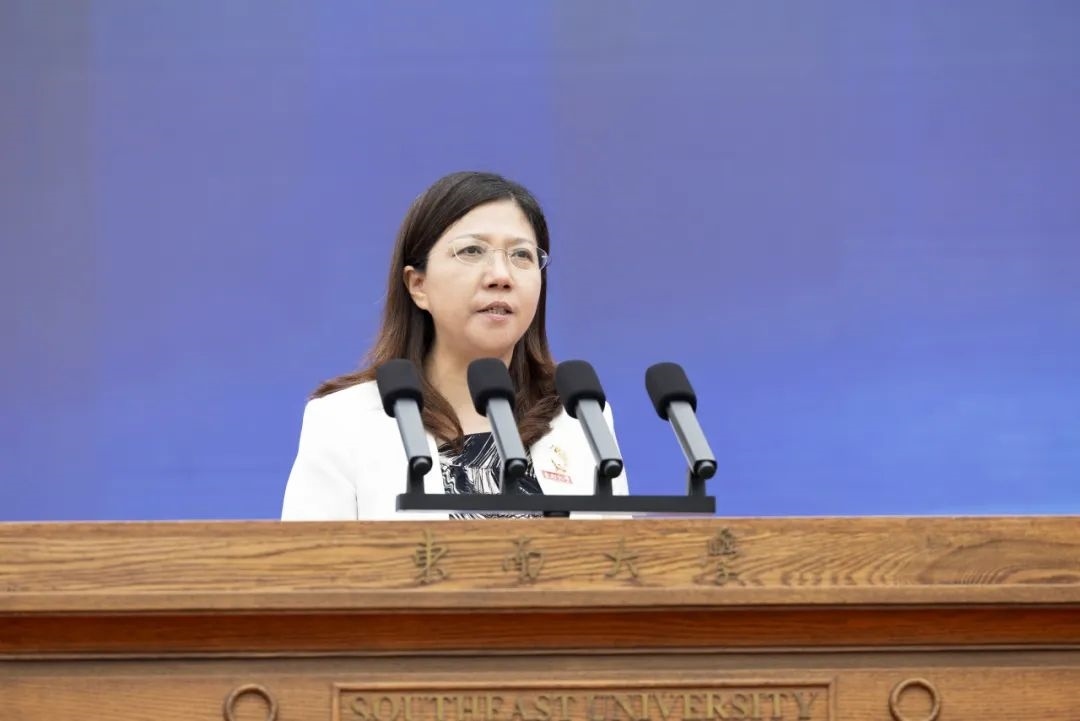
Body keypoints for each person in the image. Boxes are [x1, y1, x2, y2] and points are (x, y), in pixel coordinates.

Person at [281, 171, 628, 520]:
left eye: (521, 255)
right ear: (418, 285)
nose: (501, 276)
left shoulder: (579, 415)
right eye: (472, 251)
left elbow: (621, 551)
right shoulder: (344, 419)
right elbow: (311, 556)